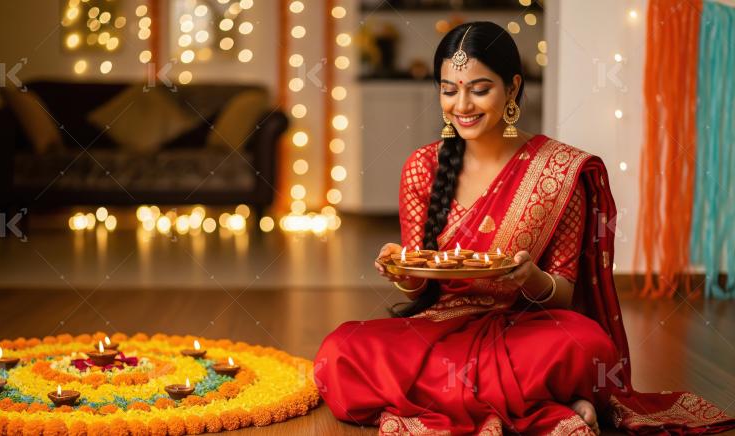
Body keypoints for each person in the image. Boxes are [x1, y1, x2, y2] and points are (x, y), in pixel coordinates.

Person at [314, 21, 735, 435]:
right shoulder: (422, 167)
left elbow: (565, 292)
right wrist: (403, 274)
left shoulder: (558, 170)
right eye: (448, 89)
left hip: (527, 330)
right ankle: (546, 402)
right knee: (340, 353)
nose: (462, 105)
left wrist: (529, 277)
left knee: (587, 345)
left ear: (512, 88)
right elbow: (422, 288)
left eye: (479, 89)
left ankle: (472, 397)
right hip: (440, 329)